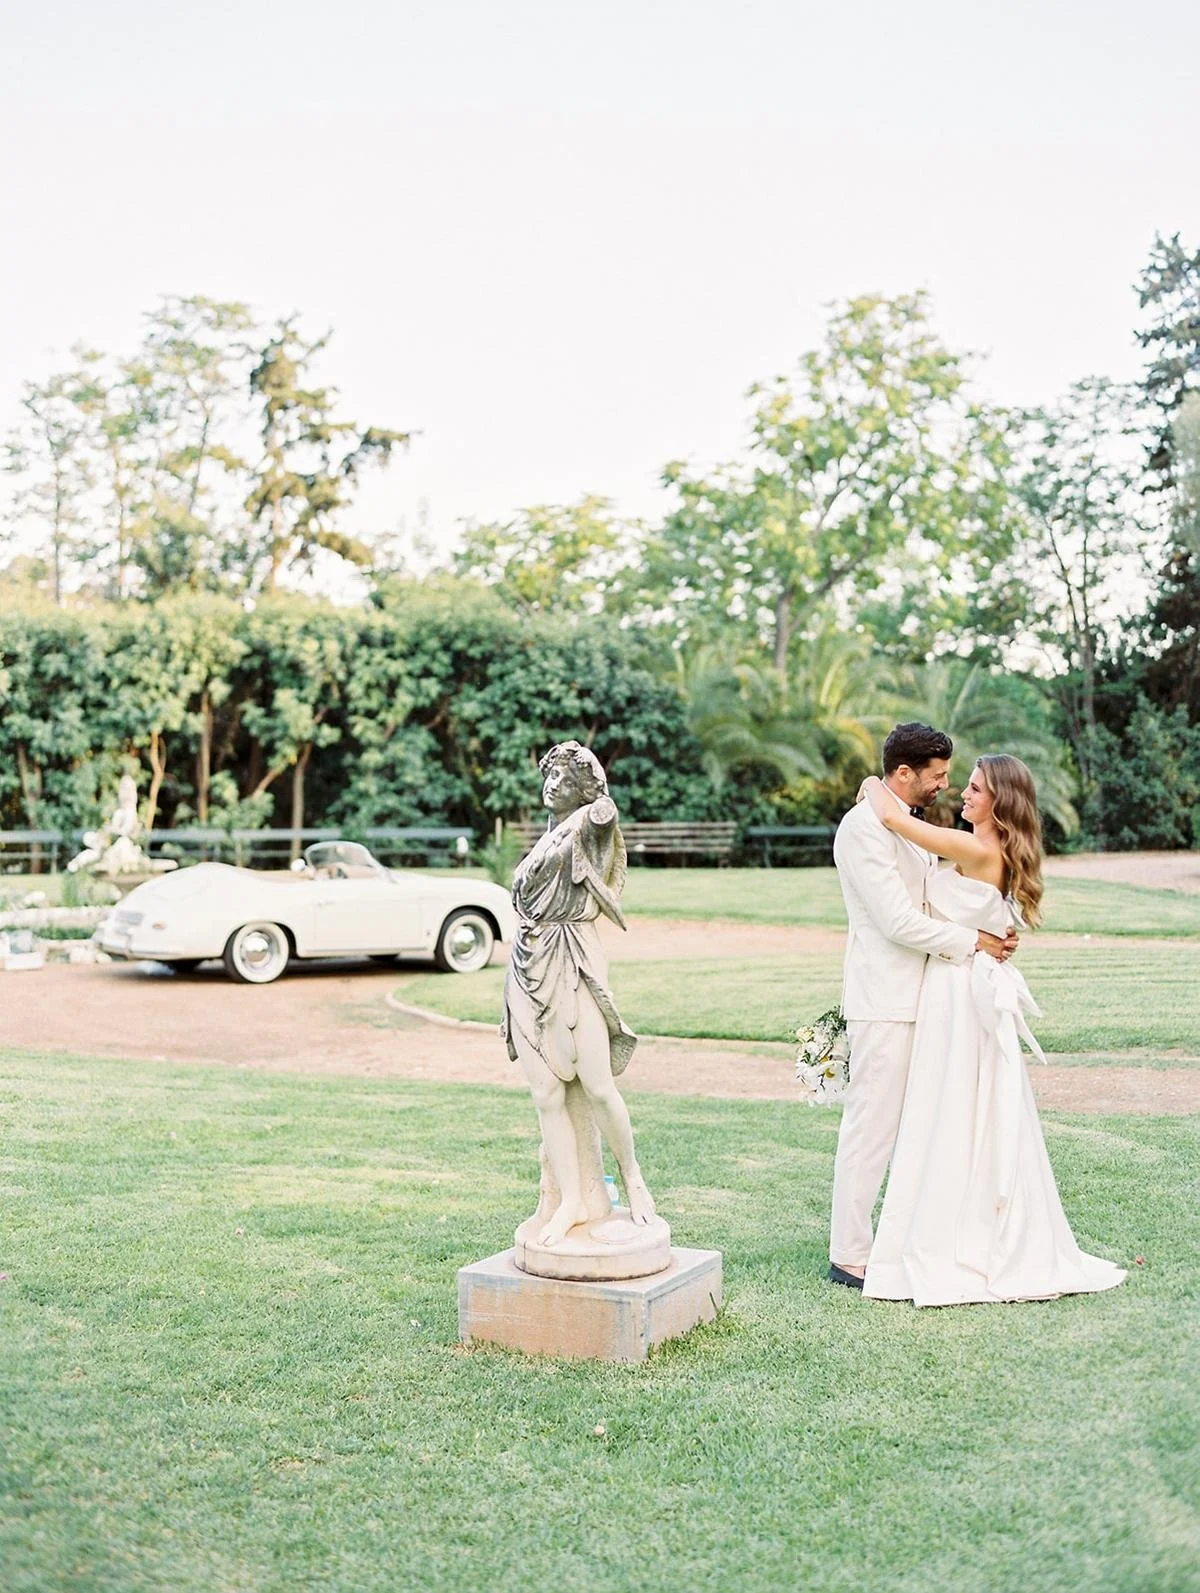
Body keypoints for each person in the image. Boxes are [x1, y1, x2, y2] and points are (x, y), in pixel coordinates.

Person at [855, 753, 1126, 1305]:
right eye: (966, 786)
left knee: (954, 1102)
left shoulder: (977, 847)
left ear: (1000, 801)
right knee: (965, 1103)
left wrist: (870, 780)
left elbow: (895, 820)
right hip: (961, 979)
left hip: (959, 989)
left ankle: (956, 1234)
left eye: (975, 789)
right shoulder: (984, 848)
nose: (963, 795)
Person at [829, 723, 1018, 1289]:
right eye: (936, 777)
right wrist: (974, 943)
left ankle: (910, 1239)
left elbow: (937, 896)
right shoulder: (862, 830)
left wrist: (992, 928)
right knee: (872, 1127)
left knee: (928, 1128)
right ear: (904, 773)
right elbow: (896, 920)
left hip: (934, 998)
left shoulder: (909, 827)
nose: (945, 786)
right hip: (886, 1000)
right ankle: (848, 1253)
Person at [501, 741, 657, 1249]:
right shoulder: (548, 835)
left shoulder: (590, 820)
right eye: (549, 777)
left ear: (584, 789)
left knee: (596, 1084)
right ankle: (569, 1199)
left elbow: (603, 819)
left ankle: (632, 1176)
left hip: (571, 955)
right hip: (528, 963)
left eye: (564, 780)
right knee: (545, 1093)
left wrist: (597, 806)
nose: (552, 786)